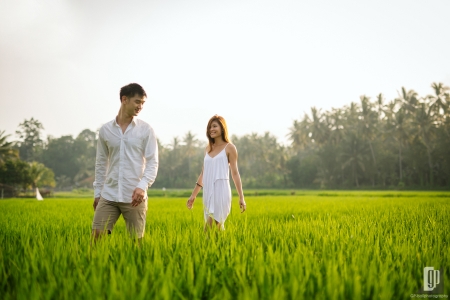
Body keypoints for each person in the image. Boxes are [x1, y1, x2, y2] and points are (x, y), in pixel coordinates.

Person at [92, 83, 158, 242]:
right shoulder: (106, 130)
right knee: (96, 239)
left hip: (134, 197)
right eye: (137, 101)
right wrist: (97, 192)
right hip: (109, 194)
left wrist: (142, 187)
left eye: (142, 103)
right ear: (124, 99)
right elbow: (101, 163)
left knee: (135, 245)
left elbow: (153, 162)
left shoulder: (145, 130)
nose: (140, 106)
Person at [186, 115, 246, 231]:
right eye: (209, 127)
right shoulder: (208, 149)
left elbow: (235, 173)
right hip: (208, 192)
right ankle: (224, 247)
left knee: (209, 229)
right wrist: (193, 195)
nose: (211, 129)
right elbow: (203, 173)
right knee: (216, 230)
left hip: (221, 191)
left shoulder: (230, 148)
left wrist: (241, 197)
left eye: (214, 126)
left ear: (222, 128)